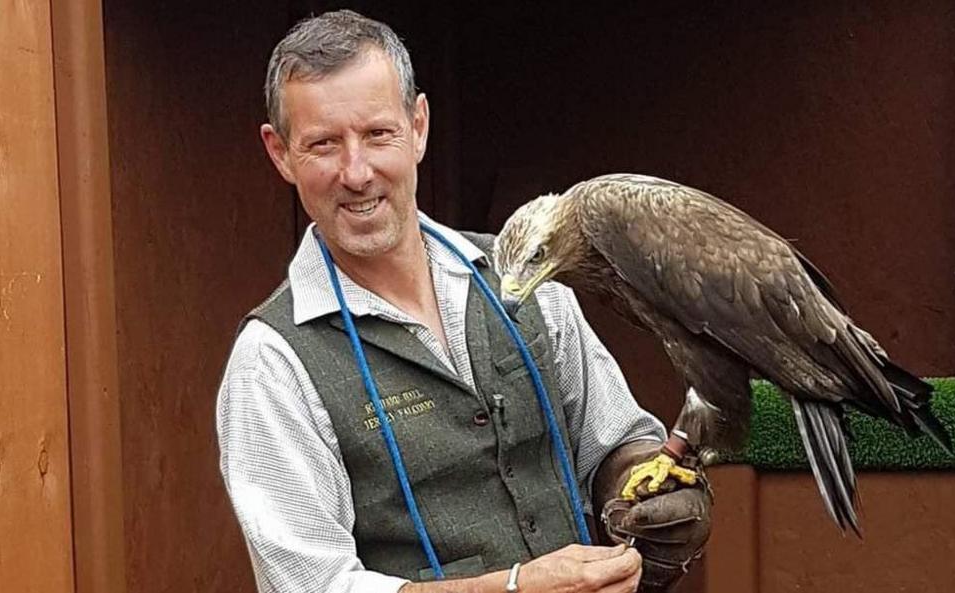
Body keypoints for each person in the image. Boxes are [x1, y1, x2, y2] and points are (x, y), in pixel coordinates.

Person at [216, 9, 711, 593]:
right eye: (323, 144)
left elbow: (615, 442)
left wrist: (644, 492)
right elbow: (315, 587)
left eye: (378, 134)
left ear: (418, 126)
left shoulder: (526, 275)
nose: (356, 172)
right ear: (280, 154)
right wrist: (513, 589)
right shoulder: (272, 363)